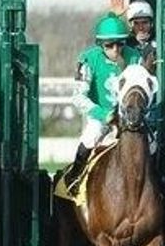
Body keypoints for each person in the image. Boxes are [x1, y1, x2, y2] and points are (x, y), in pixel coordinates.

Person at [61, 14, 144, 193]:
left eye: (120, 44)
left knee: (151, 145)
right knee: (91, 137)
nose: (116, 50)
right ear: (100, 44)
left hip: (129, 117)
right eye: (109, 45)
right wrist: (102, 114)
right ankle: (75, 178)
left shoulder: (135, 57)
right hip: (101, 118)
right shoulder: (88, 59)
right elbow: (78, 96)